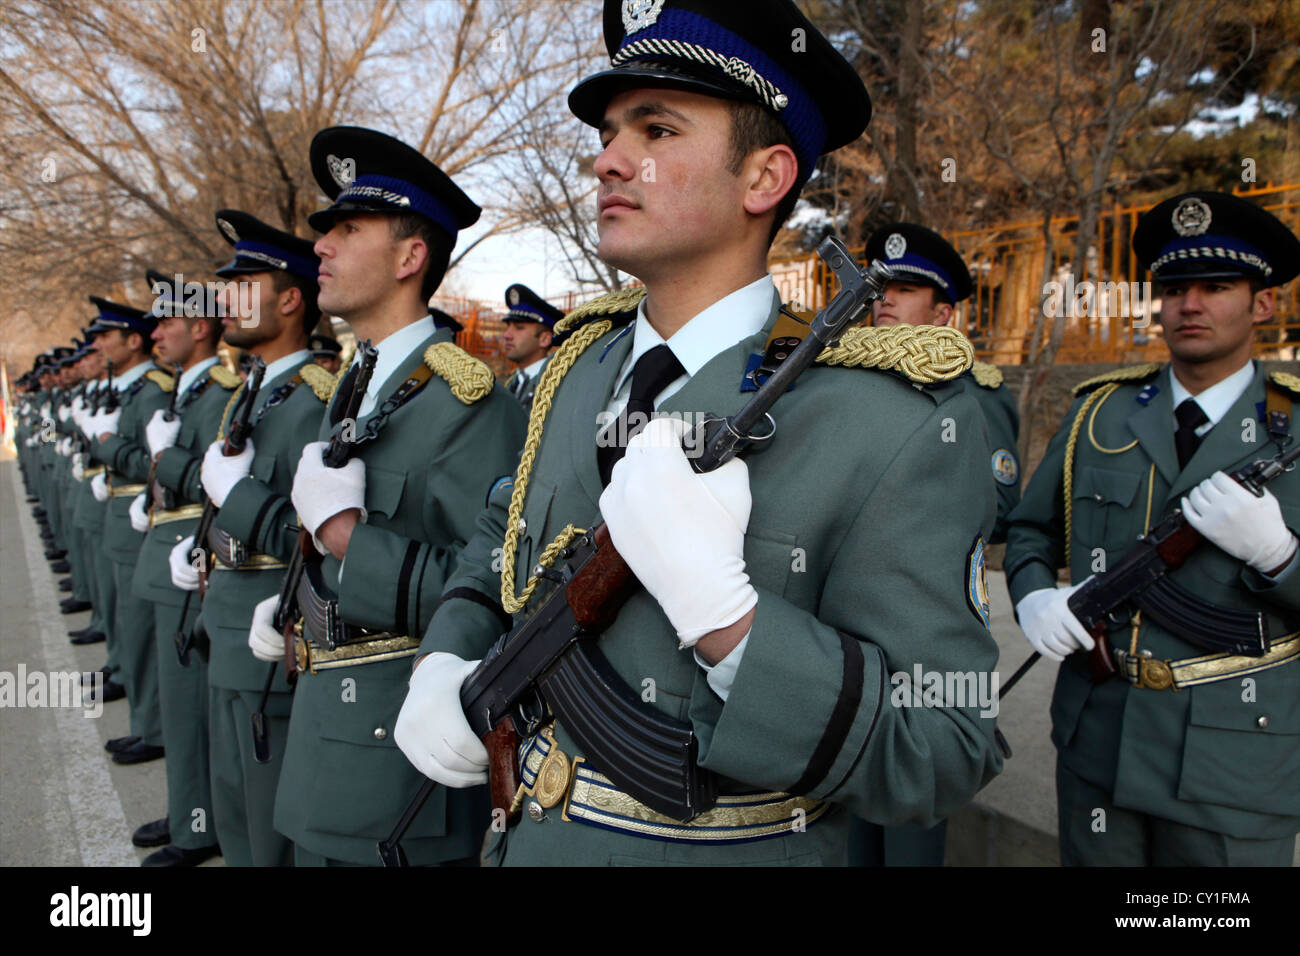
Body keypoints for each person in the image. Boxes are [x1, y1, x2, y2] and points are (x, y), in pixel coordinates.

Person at [395, 0, 1002, 866]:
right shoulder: (578, 370)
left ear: (764, 179)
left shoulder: (885, 417)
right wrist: (443, 660)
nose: (608, 160)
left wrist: (734, 628)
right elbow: (501, 534)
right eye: (610, 132)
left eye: (658, 129)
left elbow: (947, 748)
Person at [252, 125, 526, 866]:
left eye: (348, 229)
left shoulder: (470, 404)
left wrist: (345, 535)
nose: (322, 248)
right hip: (325, 733)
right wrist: (291, 594)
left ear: (410, 257)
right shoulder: (359, 383)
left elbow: (498, 592)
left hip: (398, 763)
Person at [1004, 190, 1300, 866]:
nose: (1189, 304)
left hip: (1237, 761)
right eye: (1173, 287)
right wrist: (1031, 597)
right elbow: (1029, 530)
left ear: (1264, 304)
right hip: (1100, 739)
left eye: (1216, 286)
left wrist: (1281, 556)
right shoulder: (1097, 416)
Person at [172, 209, 331, 867]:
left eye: (244, 287)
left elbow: (320, 529)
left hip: (273, 627)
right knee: (234, 802)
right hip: (225, 614)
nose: (224, 303)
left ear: (291, 299)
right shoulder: (254, 390)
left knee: (272, 827)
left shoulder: (317, 397)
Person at [124, 268, 235, 866]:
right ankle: (186, 804)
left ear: (199, 326)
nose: (156, 332)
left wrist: (167, 464)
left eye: (167, 321)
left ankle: (199, 825)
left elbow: (222, 485)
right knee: (178, 699)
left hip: (190, 558)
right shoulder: (185, 390)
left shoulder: (218, 393)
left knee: (192, 703)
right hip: (166, 555)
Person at [83, 297, 171, 764]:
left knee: (142, 632)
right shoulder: (127, 390)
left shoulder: (153, 390)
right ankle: (146, 722)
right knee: (129, 626)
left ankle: (153, 727)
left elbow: (149, 463)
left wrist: (108, 447)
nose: (97, 345)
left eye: (105, 337)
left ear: (131, 341)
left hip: (142, 521)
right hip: (122, 517)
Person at [500, 284, 562, 411]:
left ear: (544, 339)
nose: (506, 335)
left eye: (519, 328)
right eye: (508, 326)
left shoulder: (556, 386)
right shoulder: (513, 383)